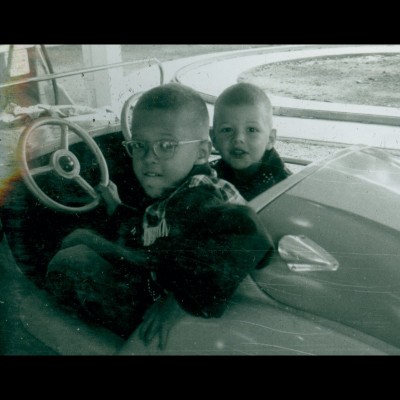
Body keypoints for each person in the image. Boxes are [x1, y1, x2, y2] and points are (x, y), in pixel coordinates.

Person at [46, 83, 273, 350]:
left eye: (166, 146)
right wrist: (117, 209)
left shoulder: (201, 195)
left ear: (201, 151)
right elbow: (151, 228)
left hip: (167, 301)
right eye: (140, 145)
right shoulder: (178, 192)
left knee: (71, 262)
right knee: (81, 240)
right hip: (159, 273)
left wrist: (179, 300)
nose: (149, 158)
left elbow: (251, 235)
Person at [210, 82, 292, 201]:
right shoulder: (209, 177)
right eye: (227, 130)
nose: (238, 138)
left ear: (270, 139)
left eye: (251, 130)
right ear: (214, 139)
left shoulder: (284, 188)